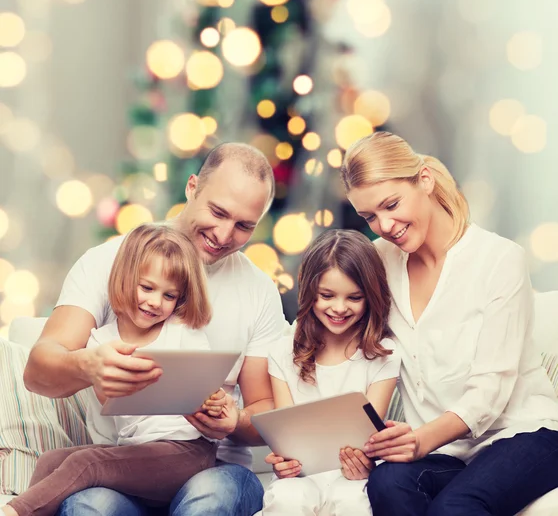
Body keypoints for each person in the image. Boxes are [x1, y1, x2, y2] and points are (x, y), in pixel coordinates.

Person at [23, 143, 286, 516]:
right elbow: (38, 371)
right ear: (192, 187)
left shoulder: (258, 290)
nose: (225, 234)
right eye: (218, 212)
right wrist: (88, 366)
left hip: (213, 467)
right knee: (89, 505)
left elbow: (264, 412)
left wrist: (233, 421)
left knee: (211, 497)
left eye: (244, 226)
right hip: (123, 468)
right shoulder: (109, 262)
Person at [340, 130, 558, 516]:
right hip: (447, 451)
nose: (385, 225)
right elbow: (338, 339)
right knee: (387, 482)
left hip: (523, 434)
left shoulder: (499, 259)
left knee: (456, 506)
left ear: (424, 180)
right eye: (369, 216)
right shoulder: (379, 261)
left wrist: (420, 440)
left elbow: (490, 391)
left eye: (391, 205)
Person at [4, 223, 227, 516]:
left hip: (187, 451)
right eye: (146, 287)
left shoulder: (183, 332)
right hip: (136, 453)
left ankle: (13, 512)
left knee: (86, 463)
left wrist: (216, 402)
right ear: (125, 278)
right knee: (51, 459)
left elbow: (206, 391)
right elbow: (109, 410)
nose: (154, 302)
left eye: (169, 296)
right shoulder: (101, 341)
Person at [262, 229, 401, 515]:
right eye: (327, 295)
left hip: (353, 477)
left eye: (354, 297)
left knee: (352, 502)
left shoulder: (383, 354)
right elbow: (286, 436)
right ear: (310, 292)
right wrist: (284, 463)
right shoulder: (282, 351)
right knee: (288, 499)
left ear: (371, 295)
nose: (339, 308)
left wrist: (362, 464)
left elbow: (368, 439)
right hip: (300, 477)